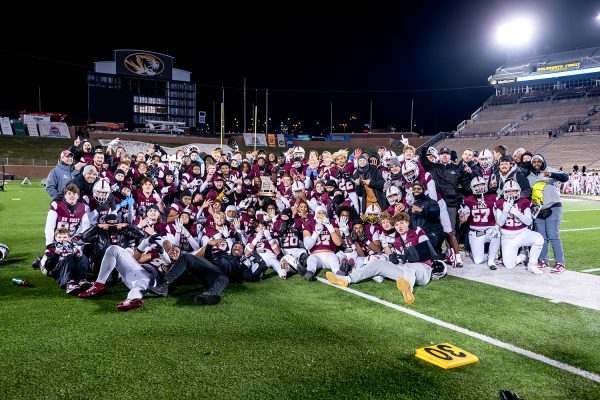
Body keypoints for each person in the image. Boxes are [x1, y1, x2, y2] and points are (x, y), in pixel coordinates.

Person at [326, 212, 446, 304]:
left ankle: (407, 291)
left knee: (409, 266)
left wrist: (407, 256)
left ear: (408, 223)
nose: (399, 226)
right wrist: (395, 259)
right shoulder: (397, 241)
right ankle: (346, 279)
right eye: (397, 224)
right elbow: (401, 262)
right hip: (404, 272)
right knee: (377, 263)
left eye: (402, 223)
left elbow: (428, 249)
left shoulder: (417, 232)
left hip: (423, 270)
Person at [79, 234, 180, 311]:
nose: (174, 252)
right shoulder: (156, 254)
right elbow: (137, 259)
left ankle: (132, 300)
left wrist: (164, 257)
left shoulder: (178, 263)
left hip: (152, 279)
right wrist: (145, 243)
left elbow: (166, 274)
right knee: (114, 249)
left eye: (177, 251)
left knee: (141, 283)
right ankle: (99, 284)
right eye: (173, 249)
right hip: (137, 270)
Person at [149, 241, 267, 304]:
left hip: (216, 276)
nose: (237, 248)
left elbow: (252, 277)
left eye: (240, 248)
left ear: (242, 252)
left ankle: (208, 296)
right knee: (187, 257)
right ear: (231, 249)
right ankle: (164, 285)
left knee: (224, 278)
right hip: (207, 267)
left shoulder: (241, 266)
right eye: (235, 246)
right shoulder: (221, 254)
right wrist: (210, 245)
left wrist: (262, 265)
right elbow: (208, 257)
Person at [528, 154, 569, 273]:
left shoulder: (550, 170)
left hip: (553, 206)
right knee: (541, 237)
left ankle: (560, 262)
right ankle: (543, 260)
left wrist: (552, 174)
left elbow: (565, 177)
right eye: (534, 161)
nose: (536, 163)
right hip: (538, 208)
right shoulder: (530, 176)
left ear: (543, 162)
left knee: (553, 235)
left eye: (539, 161)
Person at [42, 228, 90, 294]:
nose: (62, 239)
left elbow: (80, 259)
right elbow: (49, 267)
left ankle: (82, 280)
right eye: (59, 237)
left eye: (65, 237)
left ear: (69, 237)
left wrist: (77, 253)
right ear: (55, 238)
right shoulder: (51, 248)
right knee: (70, 256)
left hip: (73, 269)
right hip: (60, 272)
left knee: (82, 256)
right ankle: (69, 283)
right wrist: (56, 253)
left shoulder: (72, 247)